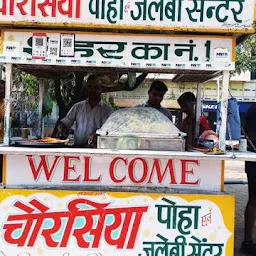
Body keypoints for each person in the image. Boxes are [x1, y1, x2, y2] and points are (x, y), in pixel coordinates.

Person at [56, 75, 113, 147]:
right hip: (77, 148)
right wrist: (61, 129)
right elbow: (65, 122)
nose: (92, 90)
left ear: (102, 89)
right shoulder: (78, 107)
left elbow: (107, 130)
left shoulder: (107, 110)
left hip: (97, 150)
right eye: (90, 87)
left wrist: (97, 136)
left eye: (96, 88)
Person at [241, 104, 256, 254]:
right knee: (253, 200)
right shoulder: (254, 110)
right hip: (254, 161)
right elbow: (250, 136)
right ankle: (247, 241)